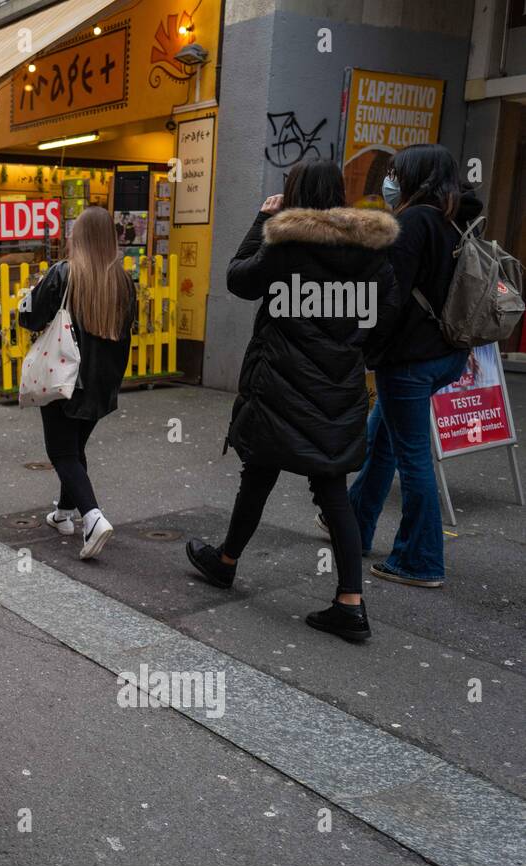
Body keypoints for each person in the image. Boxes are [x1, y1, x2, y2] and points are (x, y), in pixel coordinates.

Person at [185, 160, 399, 642]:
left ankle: (226, 561)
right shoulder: (370, 250)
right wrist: (347, 343)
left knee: (258, 473)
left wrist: (263, 220)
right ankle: (349, 601)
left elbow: (239, 279)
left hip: (280, 382)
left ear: (293, 194)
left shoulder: (289, 243)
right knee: (331, 487)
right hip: (336, 388)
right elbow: (386, 313)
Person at [346, 145, 481, 588]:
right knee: (383, 437)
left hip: (410, 359)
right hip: (447, 352)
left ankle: (419, 560)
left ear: (415, 177)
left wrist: (366, 349)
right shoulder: (456, 217)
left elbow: (391, 298)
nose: (391, 181)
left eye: (396, 173)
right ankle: (353, 524)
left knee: (412, 457)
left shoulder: (414, 222)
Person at [19, 206, 138, 560]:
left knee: (61, 452)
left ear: (79, 237)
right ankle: (63, 514)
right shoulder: (123, 281)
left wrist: (31, 292)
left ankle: (93, 517)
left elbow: (29, 317)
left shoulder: (63, 274)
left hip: (65, 376)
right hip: (103, 384)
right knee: (74, 447)